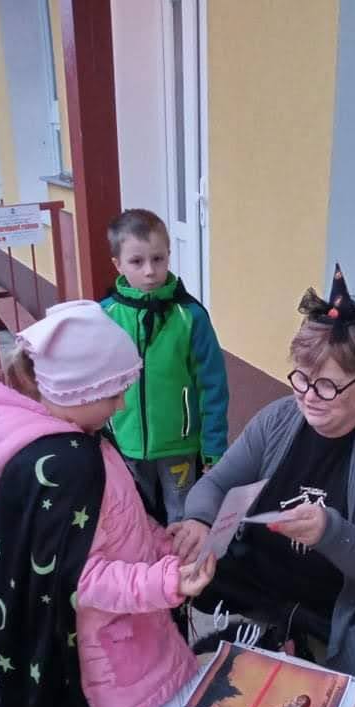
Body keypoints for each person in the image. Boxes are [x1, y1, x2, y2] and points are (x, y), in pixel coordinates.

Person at [169, 265, 355, 707]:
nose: (309, 397)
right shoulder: (280, 416)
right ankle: (285, 634)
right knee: (189, 576)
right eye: (302, 378)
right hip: (275, 573)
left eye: (328, 385)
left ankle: (298, 641)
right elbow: (218, 483)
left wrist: (330, 532)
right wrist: (198, 519)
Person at [0, 300, 215, 707]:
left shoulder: (78, 441)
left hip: (128, 631)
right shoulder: (64, 465)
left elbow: (115, 523)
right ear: (74, 393)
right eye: (112, 393)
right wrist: (167, 580)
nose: (123, 403)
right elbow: (79, 579)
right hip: (102, 651)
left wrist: (160, 542)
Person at [102, 208, 229, 523]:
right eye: (137, 261)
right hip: (125, 442)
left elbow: (212, 386)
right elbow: (91, 382)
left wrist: (214, 448)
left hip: (179, 444)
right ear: (117, 264)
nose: (150, 271)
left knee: (183, 516)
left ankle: (183, 557)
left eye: (158, 259)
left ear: (169, 255)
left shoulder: (191, 316)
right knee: (134, 516)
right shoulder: (103, 317)